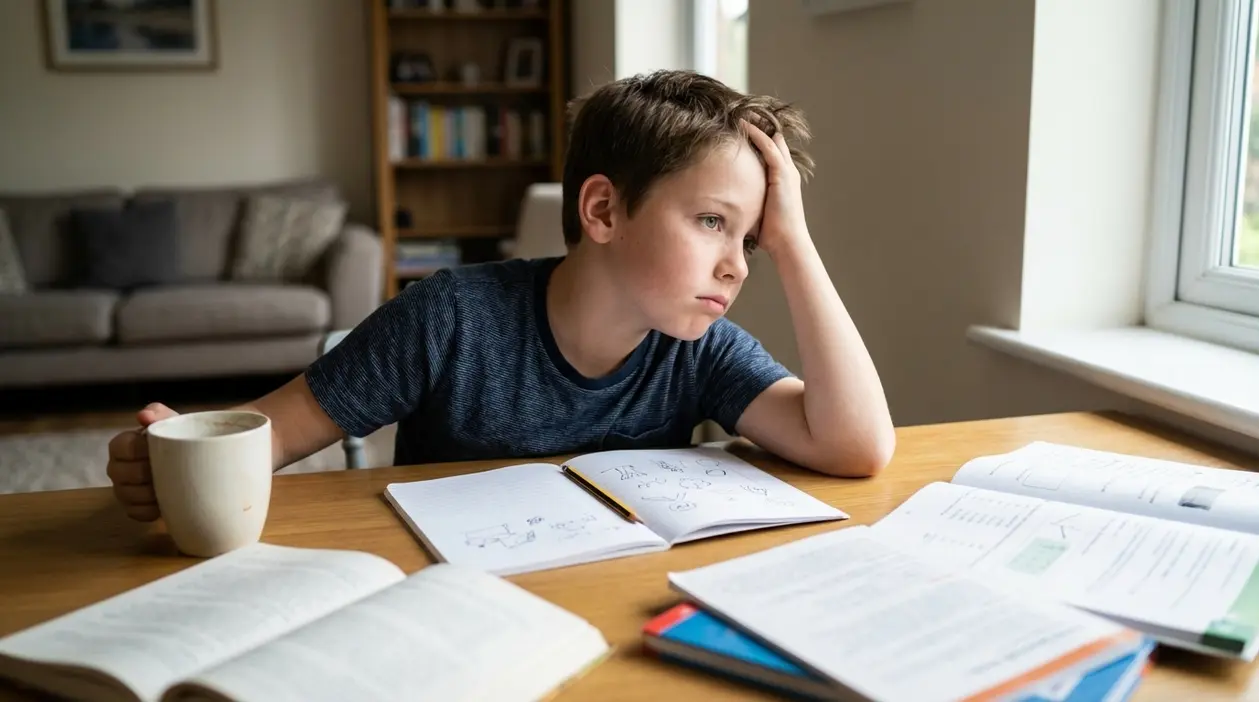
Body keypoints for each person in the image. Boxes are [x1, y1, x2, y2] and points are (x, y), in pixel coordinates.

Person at [107, 70, 895, 523]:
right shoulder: (449, 319)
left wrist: (795, 242)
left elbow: (857, 447)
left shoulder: (698, 347)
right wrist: (177, 455)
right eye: (713, 223)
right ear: (602, 210)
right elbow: (271, 437)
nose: (737, 267)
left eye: (750, 241)